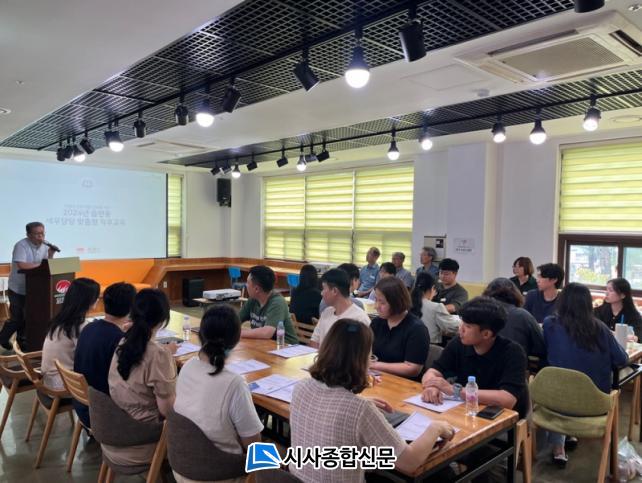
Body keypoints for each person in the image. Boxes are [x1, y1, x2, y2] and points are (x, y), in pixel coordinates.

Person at [289, 318, 455, 483]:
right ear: (363, 360)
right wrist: (435, 428)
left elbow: (332, 409)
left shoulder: (301, 386)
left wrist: (357, 401)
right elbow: (408, 462)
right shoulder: (360, 409)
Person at [173, 305, 262, 482]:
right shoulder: (234, 383)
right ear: (236, 339)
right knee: (277, 453)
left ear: (201, 334)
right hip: (220, 473)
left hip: (182, 466)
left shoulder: (188, 367)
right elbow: (254, 445)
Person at [543, 283, 628, 467]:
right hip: (594, 405)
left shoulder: (550, 324)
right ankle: (570, 436)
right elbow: (622, 359)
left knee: (561, 383)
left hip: (555, 402)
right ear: (588, 304)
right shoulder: (601, 329)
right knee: (578, 384)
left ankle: (559, 449)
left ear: (562, 301)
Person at [103, 289, 177, 466]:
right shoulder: (158, 354)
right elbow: (168, 411)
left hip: (114, 429)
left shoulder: (123, 341)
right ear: (162, 319)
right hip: (142, 437)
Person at [422, 297, 529, 418]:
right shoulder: (458, 343)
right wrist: (432, 386)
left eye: (467, 326)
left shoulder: (513, 352)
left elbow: (507, 399)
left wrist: (455, 391)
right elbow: (433, 371)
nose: (460, 329)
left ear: (486, 334)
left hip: (499, 417)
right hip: (464, 410)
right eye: (462, 322)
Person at [74, 282, 136, 427]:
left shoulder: (89, 327)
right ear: (132, 309)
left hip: (81, 406)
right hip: (103, 414)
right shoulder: (119, 340)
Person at [0, 222, 57, 351]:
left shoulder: (45, 247)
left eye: (42, 233)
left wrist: (50, 255)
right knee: (17, 318)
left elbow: (47, 267)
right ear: (28, 235)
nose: (41, 236)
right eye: (37, 234)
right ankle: (3, 338)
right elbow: (22, 265)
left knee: (28, 317)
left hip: (35, 289)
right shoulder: (21, 245)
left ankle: (22, 342)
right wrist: (41, 266)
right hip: (18, 288)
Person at [41, 277, 100, 390]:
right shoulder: (80, 326)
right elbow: (89, 358)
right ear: (90, 300)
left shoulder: (60, 319)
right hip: (63, 384)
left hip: (49, 379)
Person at [370, 277, 430, 379]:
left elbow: (413, 368)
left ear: (396, 302)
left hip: (404, 383)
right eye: (376, 300)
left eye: (382, 302)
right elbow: (367, 352)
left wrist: (375, 365)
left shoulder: (417, 329)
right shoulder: (377, 323)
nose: (376, 306)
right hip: (378, 378)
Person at [483, 278, 546, 362]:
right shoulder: (523, 315)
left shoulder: (479, 313)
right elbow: (541, 347)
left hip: (481, 364)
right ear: (515, 294)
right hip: (514, 365)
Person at [310, 269, 371, 348]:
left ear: (334, 291)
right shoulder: (326, 312)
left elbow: (361, 352)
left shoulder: (359, 318)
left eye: (324, 289)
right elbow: (314, 342)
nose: (321, 293)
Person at [239, 265, 297, 344]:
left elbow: (267, 333)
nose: (246, 285)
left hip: (286, 347)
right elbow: (236, 320)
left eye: (248, 283)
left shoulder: (277, 302)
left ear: (256, 289)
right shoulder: (253, 299)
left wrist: (239, 333)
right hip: (265, 345)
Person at [410, 272, 460, 345]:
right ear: (433, 288)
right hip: (430, 347)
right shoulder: (436, 307)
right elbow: (451, 326)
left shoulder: (407, 303)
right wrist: (462, 321)